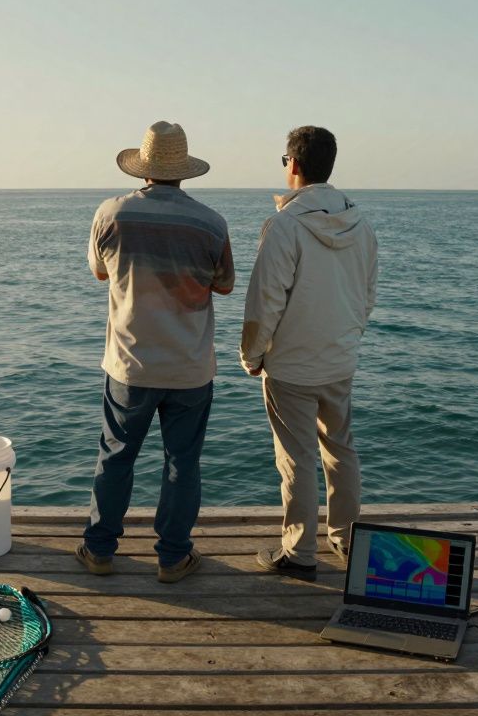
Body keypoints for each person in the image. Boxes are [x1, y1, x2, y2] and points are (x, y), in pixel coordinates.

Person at [77, 121, 234, 584]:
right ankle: (172, 558)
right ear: (184, 171)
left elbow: (100, 274)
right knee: (182, 462)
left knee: (116, 455)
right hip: (189, 367)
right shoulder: (211, 223)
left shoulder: (111, 214)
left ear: (142, 169)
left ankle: (100, 549)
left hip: (130, 363)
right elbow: (224, 285)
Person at [240, 126, 378, 581]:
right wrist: (348, 337)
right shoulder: (361, 224)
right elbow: (367, 295)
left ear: (293, 165)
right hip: (340, 359)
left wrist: (252, 355)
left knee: (296, 459)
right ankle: (347, 536)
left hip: (292, 366)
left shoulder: (285, 226)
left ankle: (299, 554)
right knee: (341, 449)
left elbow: (265, 301)